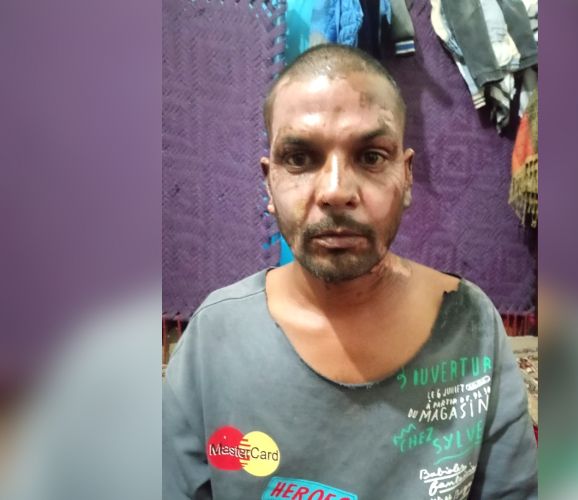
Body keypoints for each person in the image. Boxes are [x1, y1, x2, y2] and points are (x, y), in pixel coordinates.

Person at [162, 44, 537, 500]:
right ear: (269, 182)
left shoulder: (471, 326)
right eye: (300, 158)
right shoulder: (215, 336)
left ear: (407, 176)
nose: (336, 191)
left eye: (371, 156)